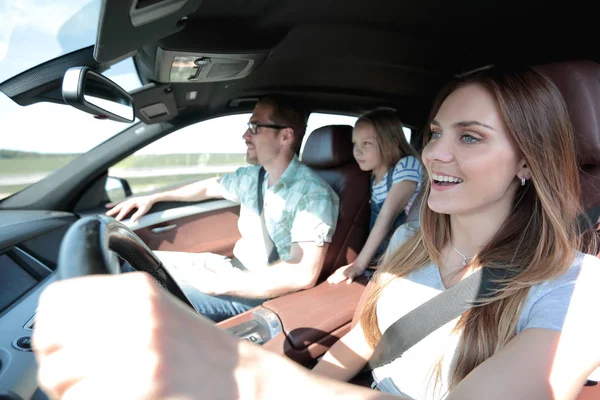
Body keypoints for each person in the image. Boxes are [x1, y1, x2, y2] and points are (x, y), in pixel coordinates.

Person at [33, 66, 600, 400]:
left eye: (470, 137)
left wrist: (242, 376)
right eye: (433, 132)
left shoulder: (581, 292)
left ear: (527, 161)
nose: (434, 153)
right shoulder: (414, 247)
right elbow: (366, 339)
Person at [106, 94, 339, 322]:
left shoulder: (313, 195)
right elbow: (208, 188)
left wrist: (221, 284)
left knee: (142, 300)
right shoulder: (253, 177)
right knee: (133, 260)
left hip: (260, 293)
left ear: (285, 136)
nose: (245, 135)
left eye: (255, 127)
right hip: (230, 268)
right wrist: (154, 197)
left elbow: (302, 273)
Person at [328, 109, 423, 285]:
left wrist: (358, 265)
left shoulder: (406, 165)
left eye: (367, 143)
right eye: (355, 143)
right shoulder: (373, 176)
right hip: (384, 256)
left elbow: (385, 219)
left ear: (391, 143)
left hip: (407, 255)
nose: (357, 151)